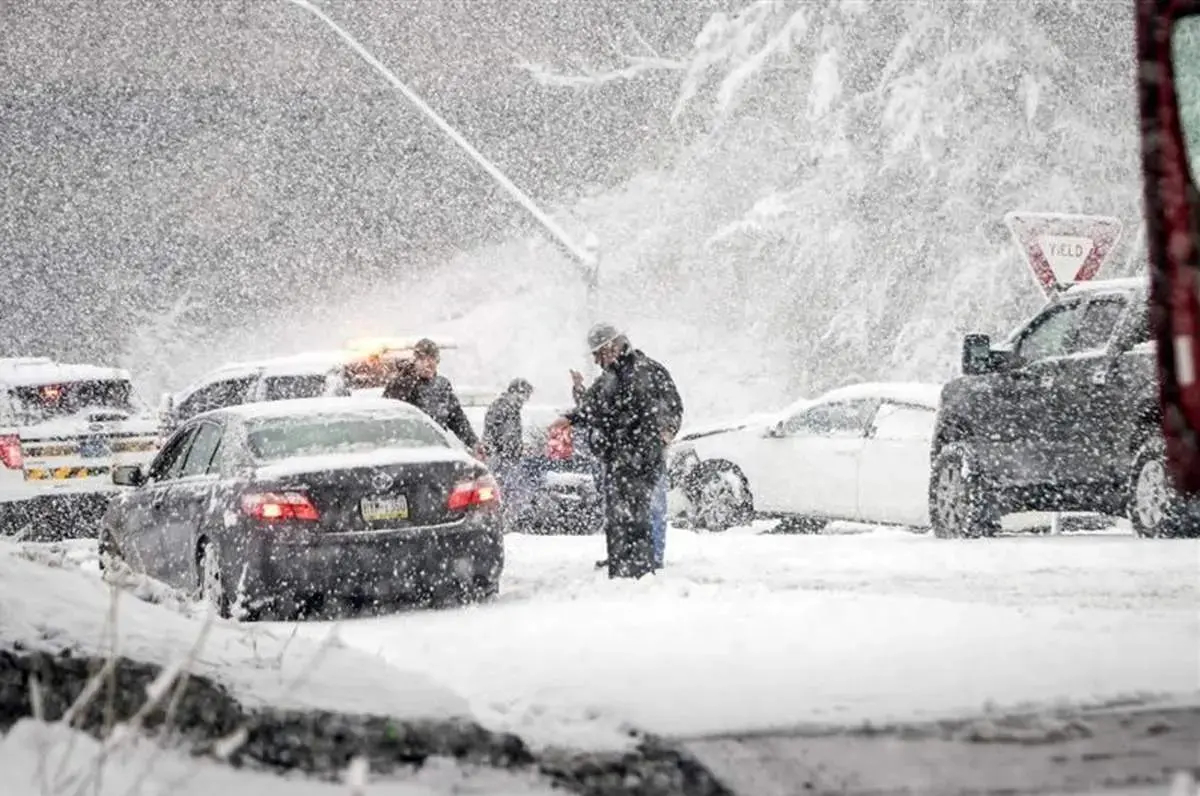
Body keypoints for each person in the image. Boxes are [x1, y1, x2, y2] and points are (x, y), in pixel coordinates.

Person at [551, 323, 682, 579]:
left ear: (614, 346)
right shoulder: (609, 378)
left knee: (638, 516)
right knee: (618, 518)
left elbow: (672, 407)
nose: (598, 361)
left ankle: (638, 571)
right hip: (617, 460)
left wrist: (664, 433)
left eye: (600, 354)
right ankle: (621, 567)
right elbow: (593, 408)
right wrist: (571, 418)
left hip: (640, 459)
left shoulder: (647, 371)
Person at [402, 338, 483, 454]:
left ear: (437, 361)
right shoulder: (403, 384)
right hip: (410, 452)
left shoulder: (442, 385)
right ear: (414, 361)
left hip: (438, 451)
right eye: (422, 359)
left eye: (431, 359)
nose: (426, 364)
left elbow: (457, 419)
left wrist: (474, 443)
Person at [482, 378, 535, 528]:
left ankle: (502, 521)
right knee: (506, 490)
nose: (526, 400)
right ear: (518, 392)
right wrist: (510, 449)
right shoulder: (505, 407)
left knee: (506, 490)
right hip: (502, 457)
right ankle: (502, 522)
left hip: (504, 456)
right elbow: (503, 434)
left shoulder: (507, 406)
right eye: (526, 395)